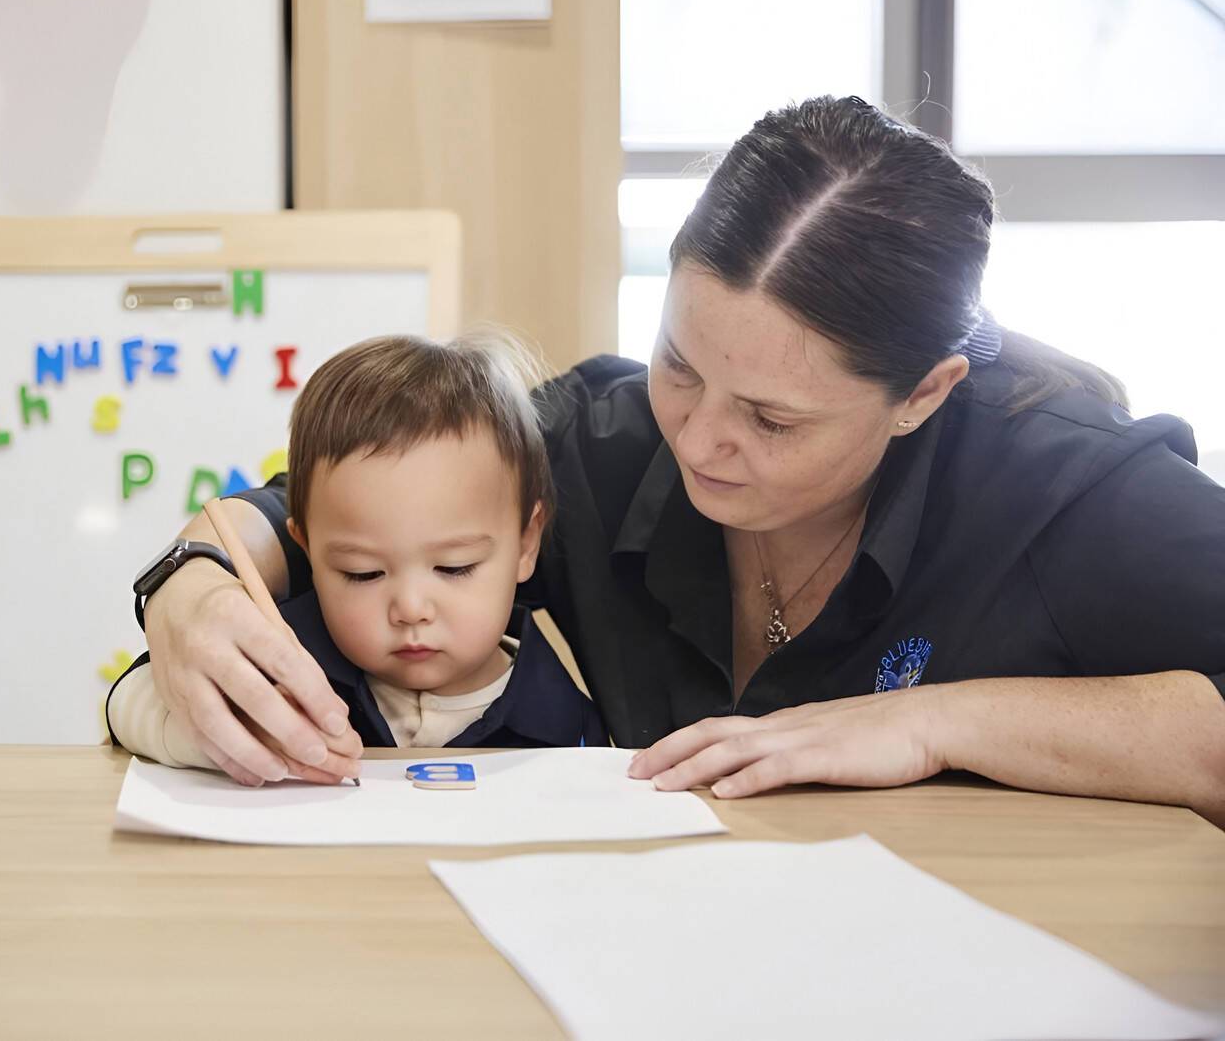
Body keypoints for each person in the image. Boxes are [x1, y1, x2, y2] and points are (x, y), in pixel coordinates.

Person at [133, 95, 1225, 821]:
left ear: (923, 393)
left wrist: (937, 718)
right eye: (679, 365)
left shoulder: (1064, 488)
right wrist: (186, 588)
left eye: (773, 419)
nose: (699, 440)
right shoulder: (596, 446)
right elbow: (297, 517)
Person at [107, 334, 604, 781]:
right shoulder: (285, 653)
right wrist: (226, 732)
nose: (411, 608)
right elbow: (125, 705)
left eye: (454, 567)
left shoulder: (566, 716)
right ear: (306, 551)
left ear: (525, 544)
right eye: (361, 573)